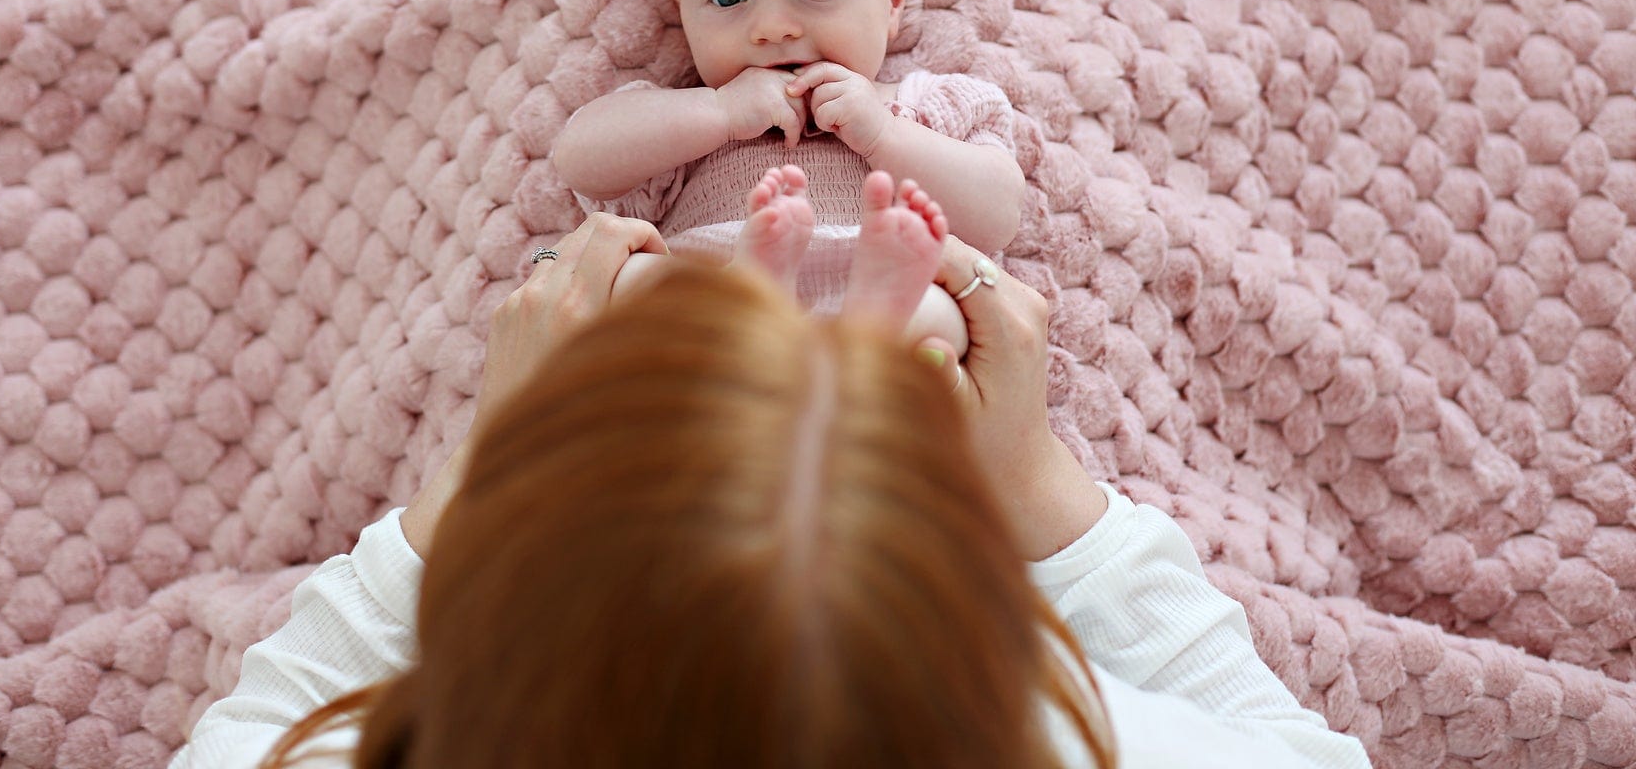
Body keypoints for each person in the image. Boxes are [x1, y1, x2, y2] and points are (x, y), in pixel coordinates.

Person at [170, 213, 1372, 769]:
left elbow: (253, 732)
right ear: (987, 645)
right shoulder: (1089, 741)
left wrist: (488, 470)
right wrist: (1044, 494)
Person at [552, 0, 1025, 351]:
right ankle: (750, 290)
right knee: (630, 278)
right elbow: (578, 159)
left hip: (879, 310)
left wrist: (885, 135)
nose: (772, 28)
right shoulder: (686, 119)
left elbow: (999, 216)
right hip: (713, 328)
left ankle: (868, 321)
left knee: (941, 310)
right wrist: (719, 112)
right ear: (683, 12)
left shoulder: (928, 104)